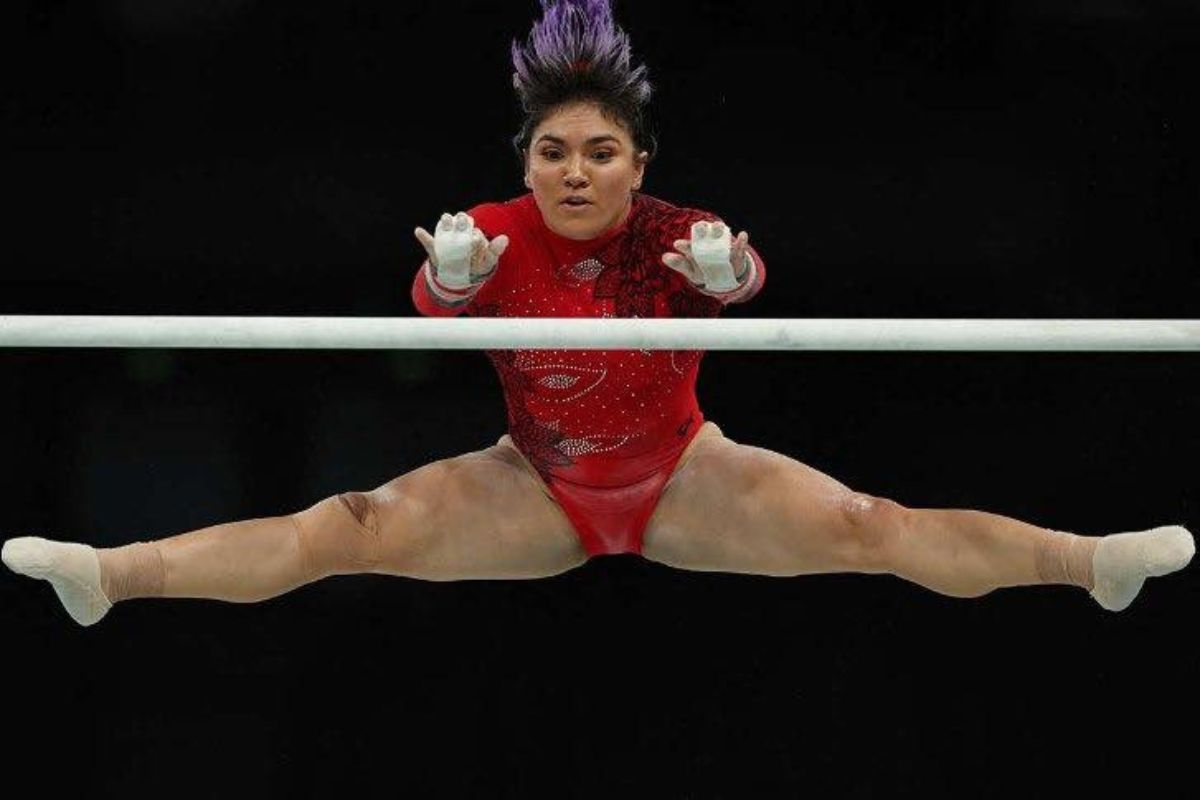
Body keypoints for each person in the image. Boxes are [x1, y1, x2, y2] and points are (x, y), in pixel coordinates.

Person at [2, 0, 1192, 626]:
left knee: (872, 526)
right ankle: (116, 575)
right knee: (346, 527)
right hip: (533, 479)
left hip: (684, 471)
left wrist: (726, 277)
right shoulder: (491, 230)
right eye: (554, 152)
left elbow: (746, 287)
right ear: (528, 165)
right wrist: (454, 285)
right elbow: (435, 301)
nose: (575, 171)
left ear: (637, 164)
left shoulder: (677, 231)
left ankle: (1088, 565)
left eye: (600, 152)